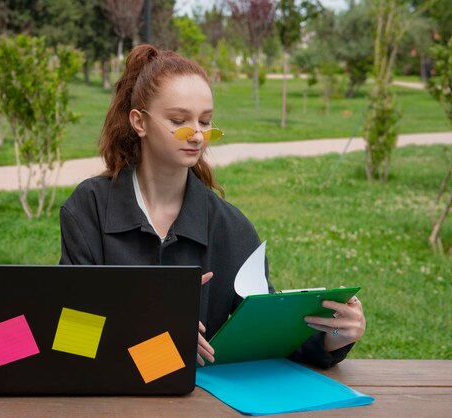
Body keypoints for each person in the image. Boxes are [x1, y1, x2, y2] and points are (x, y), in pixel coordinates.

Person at [59, 44, 365, 368]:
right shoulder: (88, 208)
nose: (197, 136)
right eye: (180, 120)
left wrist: (335, 337)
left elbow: (266, 336)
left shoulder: (230, 227)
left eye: (205, 122)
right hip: (107, 398)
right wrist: (150, 336)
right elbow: (70, 338)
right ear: (140, 122)